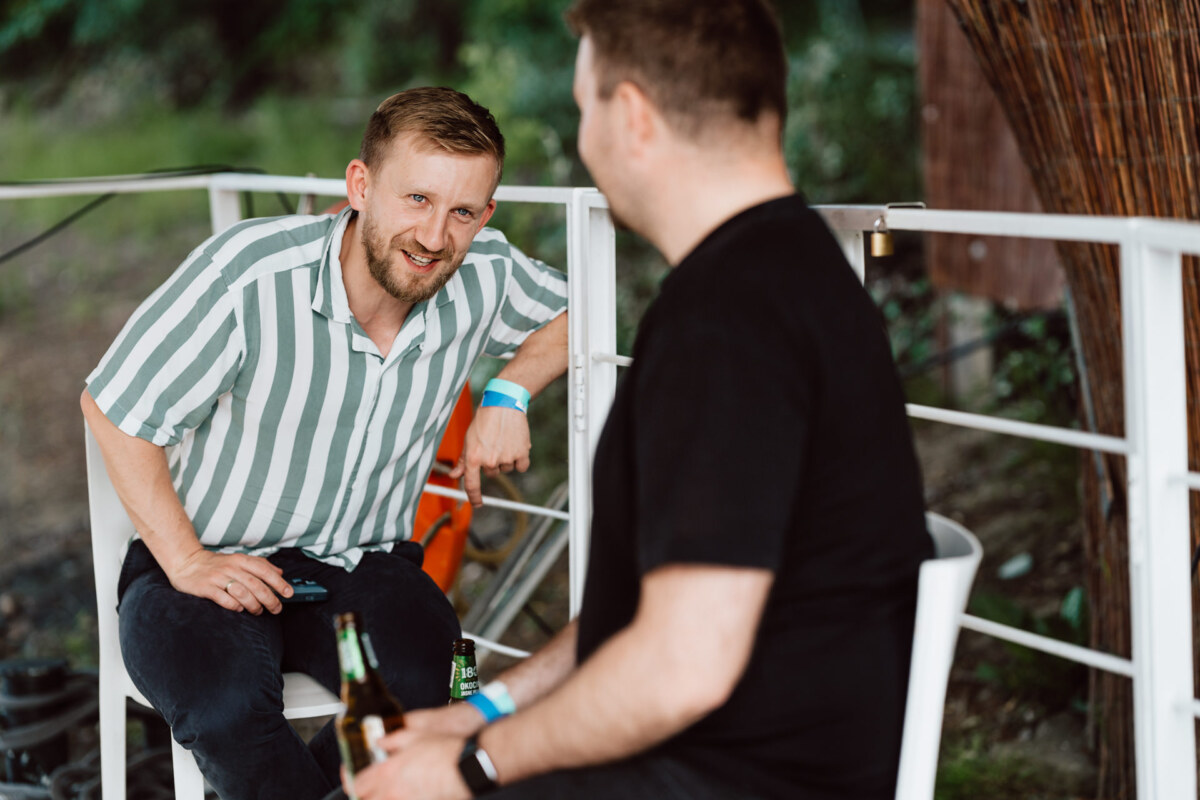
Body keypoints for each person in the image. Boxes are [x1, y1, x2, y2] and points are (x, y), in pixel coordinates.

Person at [337, 2, 934, 800]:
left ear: (634, 118)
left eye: (587, 112)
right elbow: (643, 619)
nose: (586, 144)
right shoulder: (780, 277)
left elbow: (682, 665)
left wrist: (475, 766)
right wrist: (479, 711)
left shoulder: (732, 320)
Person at [80, 87, 569, 800]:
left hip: (363, 561)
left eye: (462, 211)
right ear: (360, 186)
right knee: (225, 709)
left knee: (437, 687)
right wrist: (185, 559)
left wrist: (509, 390)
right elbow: (113, 405)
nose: (435, 237)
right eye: (416, 199)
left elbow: (577, 311)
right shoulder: (250, 271)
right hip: (208, 559)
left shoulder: (484, 273)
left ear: (486, 215)